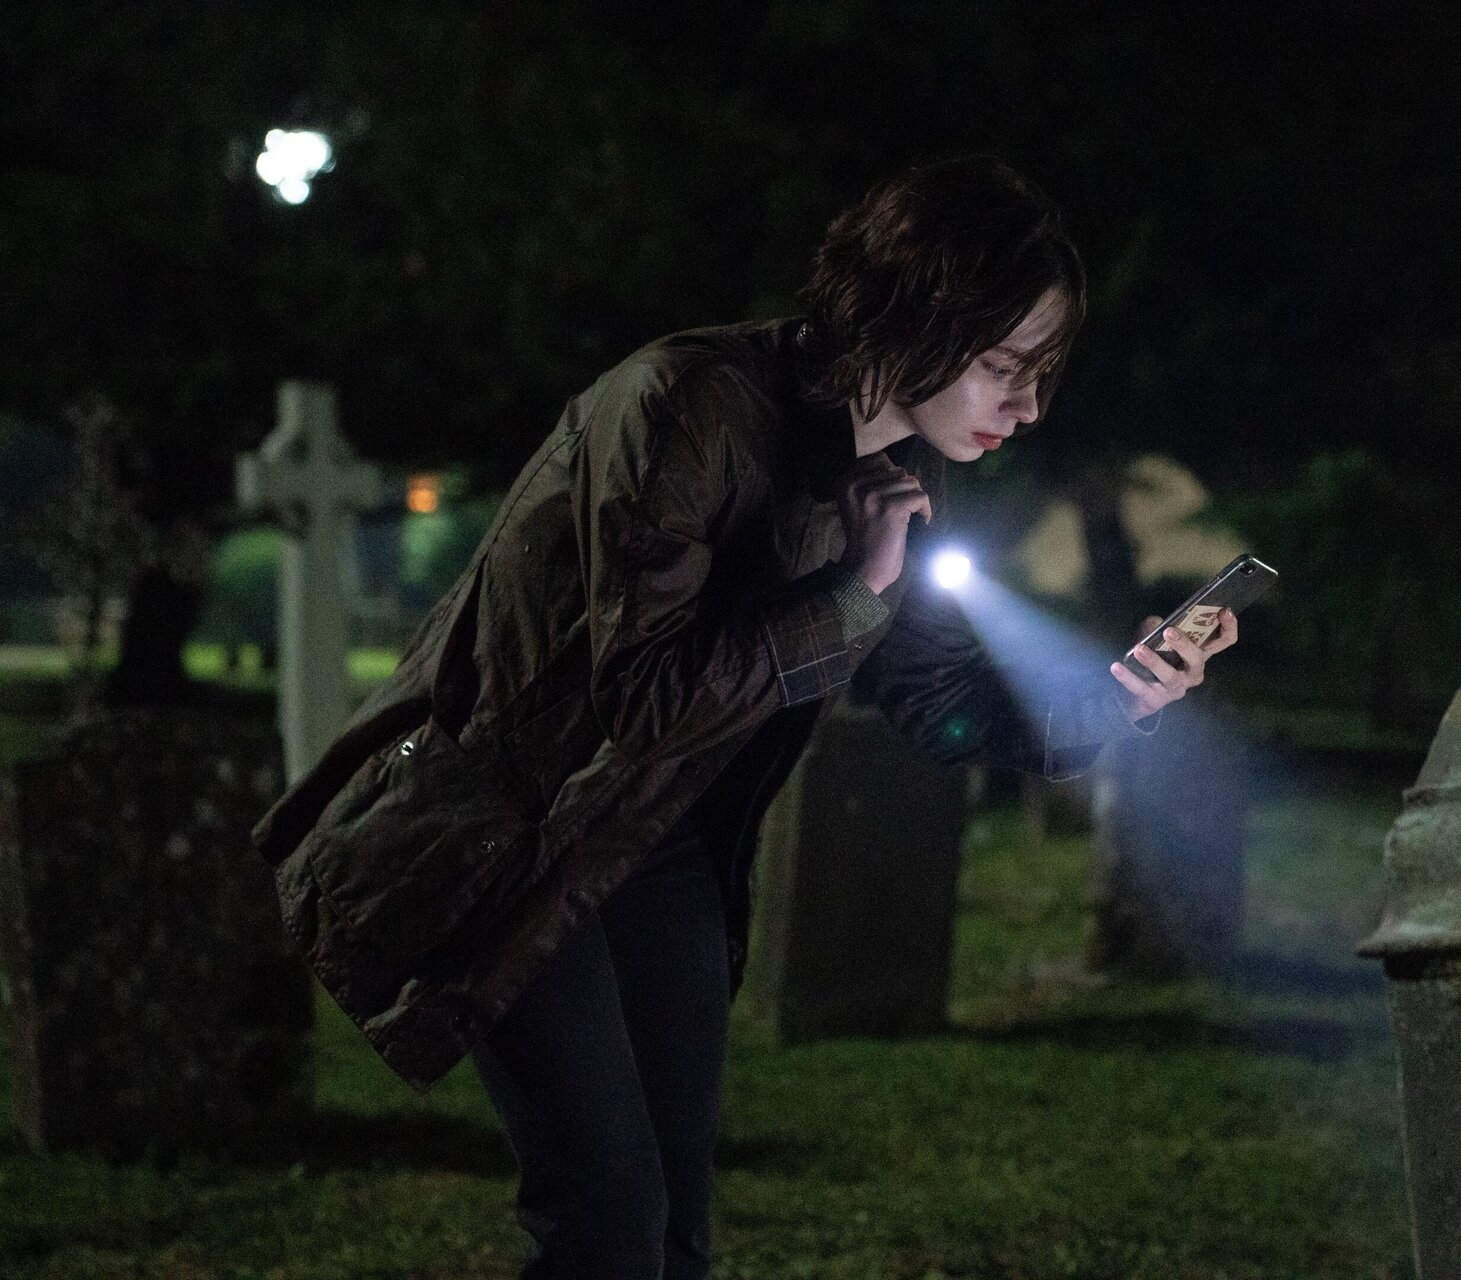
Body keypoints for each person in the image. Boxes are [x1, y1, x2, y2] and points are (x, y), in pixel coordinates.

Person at [251, 155, 1240, 1280]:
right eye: (1002, 366)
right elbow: (642, 698)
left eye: (1042, 373)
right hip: (519, 831)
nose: (1027, 406)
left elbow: (942, 701)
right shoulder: (684, 405)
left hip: (665, 846)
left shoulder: (912, 470)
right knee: (606, 1216)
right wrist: (856, 592)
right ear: (911, 314)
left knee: (675, 1226)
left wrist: (1119, 695)